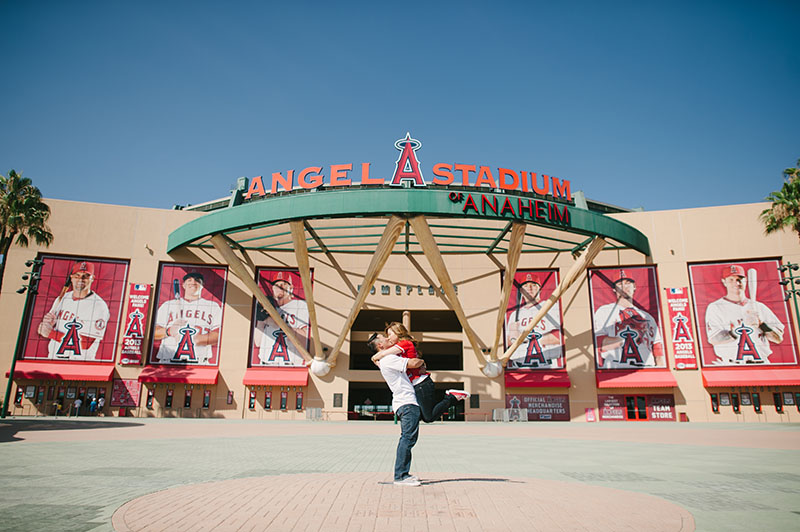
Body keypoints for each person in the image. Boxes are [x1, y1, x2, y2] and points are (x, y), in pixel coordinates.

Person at [368, 323, 468, 423]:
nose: (388, 338)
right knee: (426, 416)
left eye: (390, 334)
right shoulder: (399, 348)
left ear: (398, 333)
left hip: (420, 383)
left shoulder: (404, 343)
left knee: (428, 417)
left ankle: (451, 397)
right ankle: (450, 397)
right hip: (418, 384)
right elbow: (387, 366)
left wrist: (375, 357)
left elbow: (385, 353)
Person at [705, 265, 784, 364]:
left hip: (761, 363)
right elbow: (714, 339)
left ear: (746, 280)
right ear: (724, 282)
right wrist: (739, 328)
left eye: (740, 279)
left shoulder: (760, 307)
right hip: (732, 364)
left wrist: (761, 324)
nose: (736, 283)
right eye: (731, 279)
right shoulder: (716, 307)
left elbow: (778, 339)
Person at [373, 344, 426, 486]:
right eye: (386, 337)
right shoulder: (389, 359)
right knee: (407, 438)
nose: (389, 339)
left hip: (403, 402)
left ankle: (403, 474)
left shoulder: (387, 359)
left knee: (408, 438)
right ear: (380, 345)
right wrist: (422, 361)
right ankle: (401, 476)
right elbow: (414, 362)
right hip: (407, 402)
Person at [37, 261, 110, 361]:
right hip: (53, 359)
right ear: (71, 278)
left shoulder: (99, 306)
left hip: (79, 363)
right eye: (77, 275)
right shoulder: (62, 298)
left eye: (86, 276)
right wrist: (50, 323)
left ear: (92, 278)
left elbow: (86, 343)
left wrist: (51, 334)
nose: (81, 279)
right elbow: (50, 324)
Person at [593, 270, 664, 368]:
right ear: (614, 289)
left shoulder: (646, 316)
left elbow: (657, 346)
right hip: (616, 367)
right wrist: (629, 337)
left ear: (634, 286)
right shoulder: (604, 311)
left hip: (646, 367)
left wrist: (660, 368)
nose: (624, 287)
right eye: (620, 284)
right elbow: (599, 342)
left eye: (628, 283)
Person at [153, 272, 222, 364]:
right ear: (183, 285)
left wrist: (196, 339)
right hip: (168, 361)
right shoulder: (168, 305)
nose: (193, 282)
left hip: (200, 361)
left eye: (197, 280)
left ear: (202, 286)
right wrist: (169, 331)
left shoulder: (212, 306)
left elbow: (219, 335)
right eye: (189, 280)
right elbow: (153, 333)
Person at [505, 273, 564, 369]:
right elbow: (507, 341)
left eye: (533, 285)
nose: (530, 288)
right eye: (526, 286)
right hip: (520, 367)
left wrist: (524, 339)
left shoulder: (549, 306)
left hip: (547, 366)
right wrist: (513, 335)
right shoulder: (515, 314)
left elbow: (559, 337)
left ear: (539, 289)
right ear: (521, 290)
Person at [253, 271, 310, 366]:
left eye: (284, 284)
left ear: (291, 288)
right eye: (277, 285)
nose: (280, 287)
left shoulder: (300, 306)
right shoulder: (269, 308)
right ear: (272, 289)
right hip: (266, 365)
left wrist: (279, 324)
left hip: (291, 365)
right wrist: (261, 320)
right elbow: (257, 343)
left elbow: (306, 340)